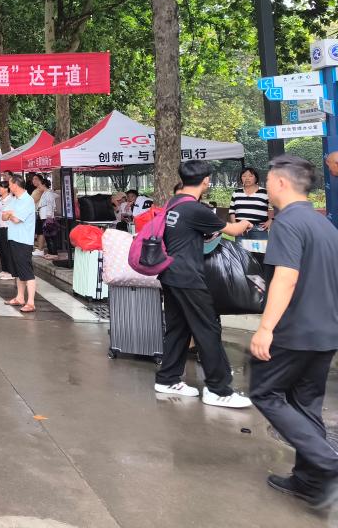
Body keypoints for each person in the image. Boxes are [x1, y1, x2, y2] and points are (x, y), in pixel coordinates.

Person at [248, 155, 338, 508]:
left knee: (265, 391)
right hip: (325, 331)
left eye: (269, 180)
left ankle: (327, 461)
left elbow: (286, 278)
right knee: (305, 404)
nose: (266, 186)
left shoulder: (287, 222)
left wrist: (265, 328)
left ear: (281, 183)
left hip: (296, 331)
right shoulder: (324, 224)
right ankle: (310, 481)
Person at [153, 160, 253, 407]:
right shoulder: (196, 209)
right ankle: (218, 389)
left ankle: (167, 378)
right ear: (206, 181)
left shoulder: (174, 203)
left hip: (170, 275)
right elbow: (233, 230)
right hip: (188, 277)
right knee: (208, 329)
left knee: (178, 328)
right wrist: (245, 223)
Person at [3, 176, 37, 312]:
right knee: (18, 271)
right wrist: (11, 214)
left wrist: (11, 214)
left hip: (23, 240)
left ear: (16, 185)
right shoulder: (14, 199)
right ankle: (20, 297)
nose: (9, 187)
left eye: (10, 184)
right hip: (13, 238)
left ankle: (31, 302)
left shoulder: (28, 200)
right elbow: (4, 216)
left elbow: (17, 219)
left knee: (26, 271)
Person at [0, 181, 14, 281]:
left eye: (2, 187)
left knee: (7, 250)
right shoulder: (0, 199)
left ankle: (11, 272)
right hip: (0, 227)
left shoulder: (10, 199)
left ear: (7, 189)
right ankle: (4, 270)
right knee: (1, 250)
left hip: (7, 227)